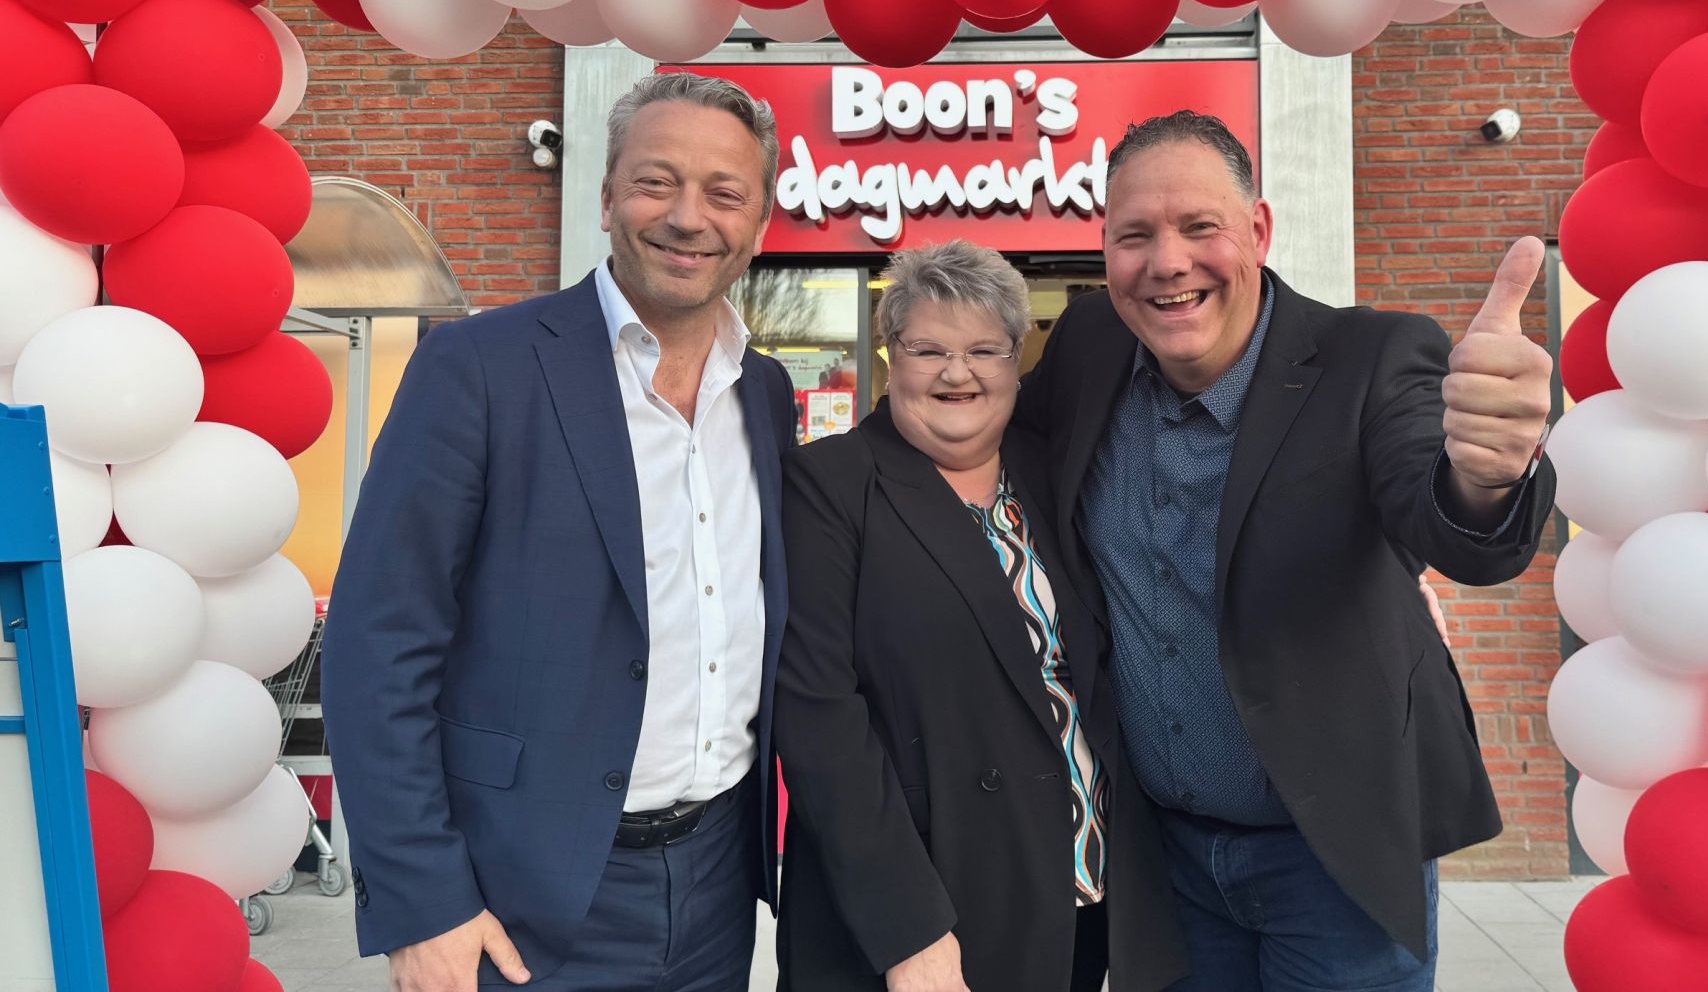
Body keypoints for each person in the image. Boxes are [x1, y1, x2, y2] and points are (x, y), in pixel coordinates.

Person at [1014, 111, 1558, 992]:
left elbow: (1448, 520)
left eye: (1201, 227)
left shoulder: (1370, 357)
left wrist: (1489, 474)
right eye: (1134, 236)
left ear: (1258, 232)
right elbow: (984, 453)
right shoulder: (1086, 347)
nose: (1167, 263)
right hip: (1166, 865)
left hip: (1335, 859)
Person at [322, 71, 796, 992]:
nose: (688, 216)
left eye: (724, 192)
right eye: (657, 181)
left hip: (719, 885)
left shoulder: (766, 394)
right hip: (521, 893)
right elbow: (377, 644)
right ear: (609, 193)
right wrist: (424, 901)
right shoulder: (477, 368)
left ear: (760, 222)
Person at [775, 240, 1187, 992]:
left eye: (984, 349)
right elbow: (819, 723)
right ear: (890, 353)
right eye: (927, 348)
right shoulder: (832, 484)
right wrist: (909, 930)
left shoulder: (1052, 469)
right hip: (932, 912)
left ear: (1014, 359)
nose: (956, 372)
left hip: (1078, 896)